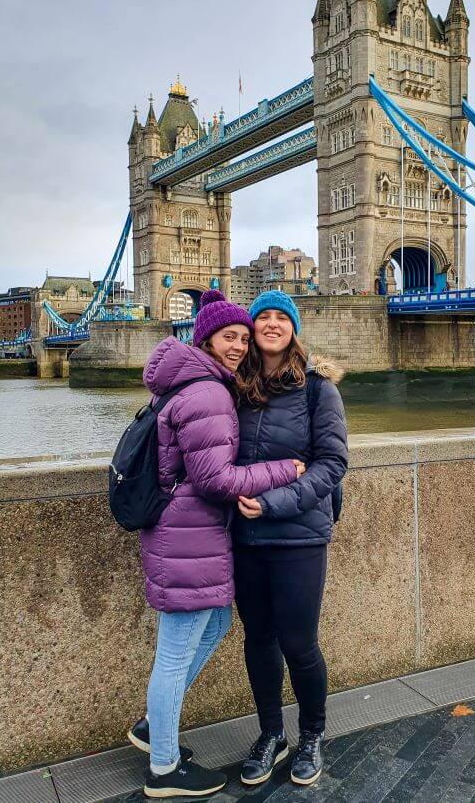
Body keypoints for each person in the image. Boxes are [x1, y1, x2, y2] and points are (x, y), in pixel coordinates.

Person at [130, 290, 303, 799]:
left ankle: (152, 730)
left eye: (243, 338)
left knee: (218, 624)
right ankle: (163, 769)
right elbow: (213, 478)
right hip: (189, 538)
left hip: (183, 535)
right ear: (205, 338)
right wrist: (284, 470)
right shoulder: (206, 391)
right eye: (230, 336)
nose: (239, 346)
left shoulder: (188, 381)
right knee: (175, 653)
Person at [233, 290, 349, 787]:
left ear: (294, 329)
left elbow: (333, 463)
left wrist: (273, 501)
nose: (273, 324)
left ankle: (311, 735)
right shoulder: (233, 386)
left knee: (299, 644)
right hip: (244, 535)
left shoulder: (318, 389)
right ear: (253, 328)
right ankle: (271, 734)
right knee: (258, 641)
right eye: (264, 317)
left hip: (299, 535)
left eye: (283, 317)